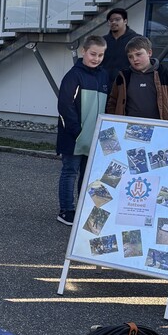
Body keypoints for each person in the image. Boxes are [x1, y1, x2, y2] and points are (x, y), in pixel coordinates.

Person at [56, 35, 109, 224]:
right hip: (74, 137)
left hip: (95, 137)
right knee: (70, 172)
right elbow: (64, 105)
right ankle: (66, 210)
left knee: (90, 175)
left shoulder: (104, 75)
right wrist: (77, 131)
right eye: (93, 54)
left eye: (101, 55)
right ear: (83, 52)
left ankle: (84, 207)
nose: (96, 58)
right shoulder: (73, 75)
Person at [106, 35, 168, 121]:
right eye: (130, 56)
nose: (135, 59)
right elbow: (112, 102)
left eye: (138, 54)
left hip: (158, 129)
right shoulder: (122, 77)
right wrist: (114, 122)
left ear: (149, 53)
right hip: (127, 128)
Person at [101, 8, 139, 85]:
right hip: (104, 84)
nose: (113, 22)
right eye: (111, 20)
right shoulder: (102, 41)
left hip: (127, 84)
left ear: (125, 21)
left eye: (117, 19)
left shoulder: (136, 40)